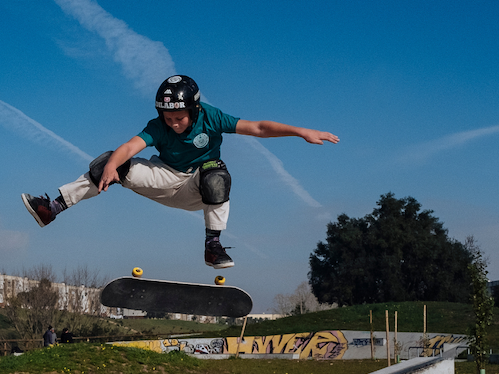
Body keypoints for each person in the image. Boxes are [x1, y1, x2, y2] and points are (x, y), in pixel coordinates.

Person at [22, 75, 338, 269]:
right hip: (163, 178)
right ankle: (52, 209)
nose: (174, 123)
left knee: (217, 175)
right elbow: (131, 147)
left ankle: (212, 246)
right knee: (109, 161)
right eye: (168, 118)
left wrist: (301, 131)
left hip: (197, 188)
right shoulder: (158, 126)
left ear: (195, 110)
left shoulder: (211, 118)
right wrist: (110, 167)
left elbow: (257, 127)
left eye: (180, 118)